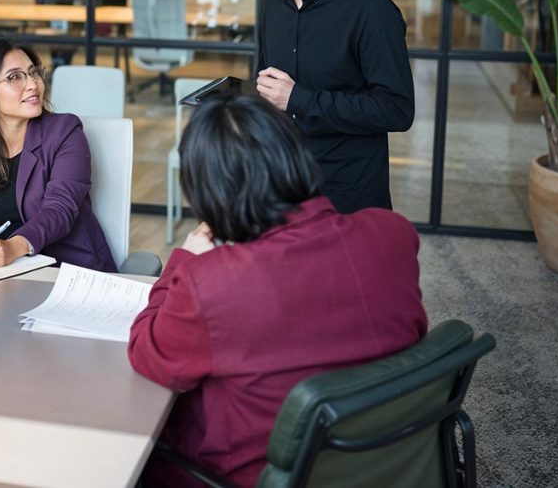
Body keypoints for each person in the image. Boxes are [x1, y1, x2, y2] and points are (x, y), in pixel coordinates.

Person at [128, 94, 427, 487]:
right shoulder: (393, 234)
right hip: (383, 457)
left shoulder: (211, 282)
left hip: (252, 474)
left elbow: (148, 353)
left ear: (209, 192)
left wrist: (183, 261)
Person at [250, 0, 414, 213]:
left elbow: (397, 109)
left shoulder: (370, 8)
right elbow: (269, 86)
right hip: (281, 188)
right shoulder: (273, 3)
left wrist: (299, 99)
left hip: (347, 197)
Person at [0, 38, 116, 272]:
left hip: (66, 272)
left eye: (34, 73)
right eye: (15, 77)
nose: (33, 84)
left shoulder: (65, 132)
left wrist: (13, 247)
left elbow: (59, 211)